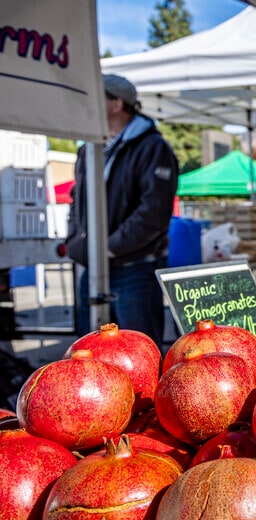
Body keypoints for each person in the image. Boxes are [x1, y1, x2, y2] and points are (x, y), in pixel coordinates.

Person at [65, 74, 179, 347]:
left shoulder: (152, 147)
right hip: (91, 267)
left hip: (133, 269)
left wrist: (110, 248)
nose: (88, 104)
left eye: (97, 96)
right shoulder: (89, 150)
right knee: (87, 354)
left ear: (117, 104)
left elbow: (153, 211)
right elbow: (76, 200)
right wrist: (75, 241)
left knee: (138, 354)